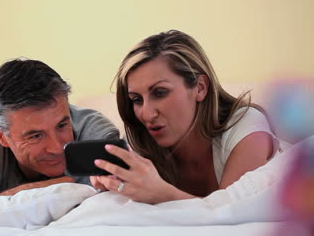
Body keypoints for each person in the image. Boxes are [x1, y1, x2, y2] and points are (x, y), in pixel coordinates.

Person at [91, 30, 285, 204]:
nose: (147, 114)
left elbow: (232, 212)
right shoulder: (141, 142)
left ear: (200, 87)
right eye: (136, 99)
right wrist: (116, 186)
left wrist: (163, 194)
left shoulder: (246, 125)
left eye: (160, 92)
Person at [0, 59, 119, 209]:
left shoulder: (97, 133)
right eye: (35, 136)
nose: (57, 147)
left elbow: (110, 197)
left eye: (62, 125)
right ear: (0, 135)